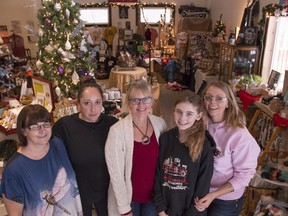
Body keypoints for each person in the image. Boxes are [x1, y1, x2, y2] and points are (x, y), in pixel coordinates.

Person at [1, 104, 82, 215]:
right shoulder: (13, 170)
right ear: (23, 131)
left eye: (46, 124)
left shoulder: (58, 145)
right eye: (34, 126)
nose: (42, 130)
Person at [195, 80, 260, 216]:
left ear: (228, 103)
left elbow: (244, 176)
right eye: (208, 97)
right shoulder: (200, 124)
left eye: (219, 98)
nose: (212, 102)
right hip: (201, 190)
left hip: (225, 199)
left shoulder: (239, 135)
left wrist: (214, 195)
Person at [52, 82, 118, 216]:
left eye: (97, 102)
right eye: (87, 103)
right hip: (78, 190)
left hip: (107, 189)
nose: (93, 109)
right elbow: (49, 152)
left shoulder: (112, 124)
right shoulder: (65, 126)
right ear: (78, 104)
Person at [105, 79, 167, 216]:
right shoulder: (116, 131)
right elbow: (116, 175)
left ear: (152, 102)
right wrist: (124, 209)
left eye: (146, 99)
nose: (141, 104)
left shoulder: (160, 124)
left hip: (153, 197)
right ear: (128, 103)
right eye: (135, 100)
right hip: (128, 199)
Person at [154, 93, 215, 216]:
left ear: (198, 116)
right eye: (179, 112)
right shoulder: (165, 139)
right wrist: (161, 210)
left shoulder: (204, 146)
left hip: (192, 213)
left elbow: (202, 188)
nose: (182, 118)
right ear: (173, 112)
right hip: (165, 211)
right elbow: (157, 175)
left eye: (189, 114)